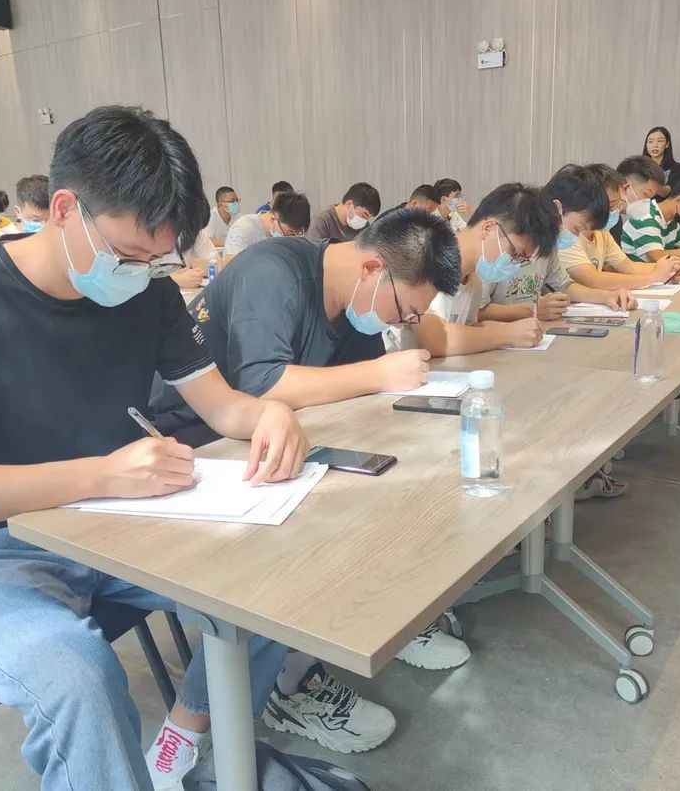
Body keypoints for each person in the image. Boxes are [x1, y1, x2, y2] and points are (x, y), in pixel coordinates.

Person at [0, 106, 309, 790]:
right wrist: (100, 475)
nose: (140, 273)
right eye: (128, 255)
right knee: (77, 677)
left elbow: (223, 406)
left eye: (158, 259)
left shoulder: (148, 296)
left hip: (116, 525)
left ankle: (184, 738)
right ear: (64, 209)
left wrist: (271, 412)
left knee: (280, 585)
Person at [151, 208, 463, 755]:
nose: (400, 324)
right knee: (284, 553)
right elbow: (260, 383)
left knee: (389, 478)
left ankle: (381, 616)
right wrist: (379, 373)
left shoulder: (357, 307)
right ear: (373, 268)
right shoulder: (272, 271)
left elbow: (351, 396)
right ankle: (286, 683)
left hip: (276, 436)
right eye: (404, 311)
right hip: (195, 441)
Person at [398, 183, 563, 357]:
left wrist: (511, 328)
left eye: (522, 259)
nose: (514, 264)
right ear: (488, 228)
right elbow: (432, 339)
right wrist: (506, 334)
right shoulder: (429, 259)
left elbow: (469, 328)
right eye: (515, 253)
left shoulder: (473, 282)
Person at [478, 165, 636, 327]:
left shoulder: (548, 243)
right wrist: (532, 310)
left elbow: (564, 286)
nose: (575, 237)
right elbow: (476, 312)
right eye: (577, 228)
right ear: (557, 207)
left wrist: (606, 296)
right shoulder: (502, 242)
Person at [559, 163, 680, 291]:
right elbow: (593, 279)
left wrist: (672, 267)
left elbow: (629, 266)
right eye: (610, 206)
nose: (615, 211)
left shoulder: (602, 233)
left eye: (618, 204)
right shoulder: (567, 235)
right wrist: (653, 277)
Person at [222, 190, 311, 257]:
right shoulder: (243, 229)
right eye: (289, 233)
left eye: (296, 234)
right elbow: (231, 268)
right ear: (273, 219)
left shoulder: (278, 234)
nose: (290, 238)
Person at [0, 175, 51, 244]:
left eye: (50, 220)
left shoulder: (55, 237)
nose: (45, 227)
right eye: (36, 220)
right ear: (18, 212)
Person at [306, 182, 380, 242]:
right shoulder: (321, 221)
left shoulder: (364, 227)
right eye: (364, 215)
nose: (364, 221)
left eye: (368, 218)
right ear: (349, 204)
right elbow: (312, 254)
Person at [643, 126, 680, 195]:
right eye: (650, 141)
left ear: (667, 144)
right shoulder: (639, 166)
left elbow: (667, 192)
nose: (655, 145)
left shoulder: (676, 168)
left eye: (659, 141)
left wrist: (652, 185)